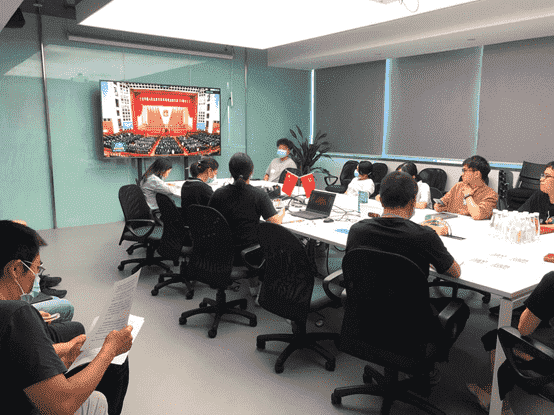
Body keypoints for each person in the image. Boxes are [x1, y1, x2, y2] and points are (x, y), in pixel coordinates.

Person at [346, 171, 469, 383]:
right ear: (413, 202)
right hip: (411, 327)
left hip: (366, 316)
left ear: (381, 199)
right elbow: (455, 272)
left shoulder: (358, 230)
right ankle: (424, 366)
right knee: (461, 309)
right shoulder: (423, 236)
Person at [0, 221, 133, 415]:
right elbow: (62, 405)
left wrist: (65, 348)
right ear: (15, 270)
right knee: (113, 366)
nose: (36, 277)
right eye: (36, 269)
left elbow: (13, 356)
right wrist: (110, 349)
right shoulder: (17, 314)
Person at [466, 272, 554, 415]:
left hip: (549, 363)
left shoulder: (552, 279)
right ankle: (491, 391)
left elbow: (524, 329)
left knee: (499, 337)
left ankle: (500, 405)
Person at [210, 153, 285, 299]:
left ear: (230, 171)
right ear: (251, 171)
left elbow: (209, 219)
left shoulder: (218, 194)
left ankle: (254, 288)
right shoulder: (258, 195)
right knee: (275, 244)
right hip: (247, 255)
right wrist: (282, 212)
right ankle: (261, 292)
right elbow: (275, 222)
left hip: (220, 253)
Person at [434, 155, 498, 220]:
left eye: (464, 170)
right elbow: (440, 204)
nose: (462, 174)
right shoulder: (458, 186)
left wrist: (468, 196)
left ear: (476, 174)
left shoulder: (491, 195)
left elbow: (477, 215)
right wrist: (439, 206)